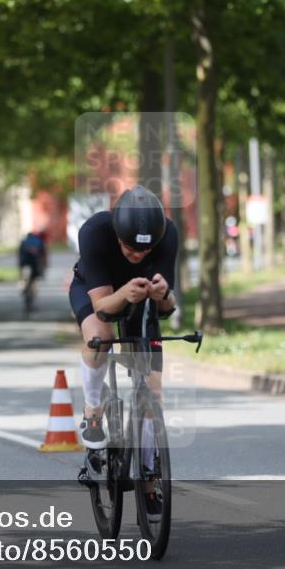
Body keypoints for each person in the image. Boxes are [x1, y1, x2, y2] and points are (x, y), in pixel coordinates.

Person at [68, 185, 178, 521]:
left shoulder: (167, 235)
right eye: (130, 249)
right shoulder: (95, 232)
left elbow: (167, 310)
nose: (138, 256)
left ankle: (149, 480)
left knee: (153, 388)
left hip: (140, 298)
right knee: (99, 337)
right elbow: (102, 308)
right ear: (117, 234)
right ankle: (93, 410)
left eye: (145, 251)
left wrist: (163, 295)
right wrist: (126, 293)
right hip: (96, 292)